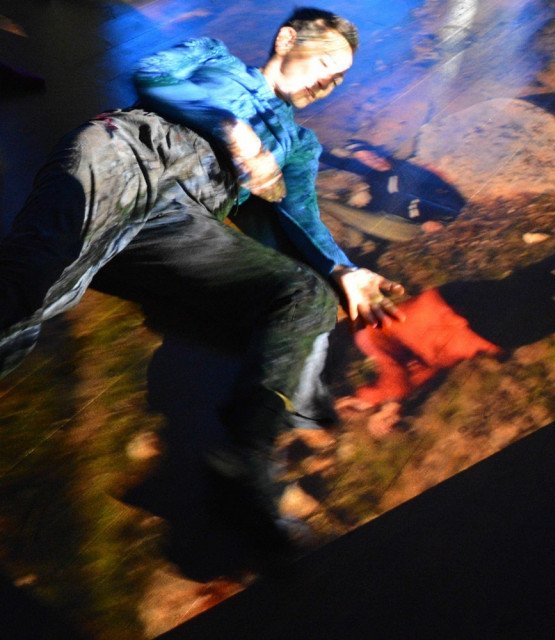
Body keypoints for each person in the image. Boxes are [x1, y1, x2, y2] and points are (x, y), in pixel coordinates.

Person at [0, 7, 402, 550]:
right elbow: (152, 75)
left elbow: (297, 216)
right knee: (30, 288)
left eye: (341, 75)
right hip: (126, 153)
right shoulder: (214, 56)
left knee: (305, 296)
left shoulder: (298, 143)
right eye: (326, 60)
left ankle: (245, 463)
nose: (330, 79)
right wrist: (230, 126)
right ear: (287, 40)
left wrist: (341, 269)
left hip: (181, 218)